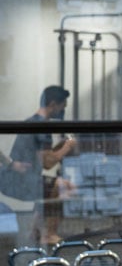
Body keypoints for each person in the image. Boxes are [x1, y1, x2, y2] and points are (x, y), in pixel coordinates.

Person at [6, 86, 77, 246]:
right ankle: (48, 234)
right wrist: (68, 146)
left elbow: (43, 157)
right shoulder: (42, 128)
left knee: (50, 188)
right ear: (53, 104)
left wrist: (60, 146)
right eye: (62, 107)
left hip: (20, 178)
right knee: (64, 187)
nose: (62, 111)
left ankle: (35, 231)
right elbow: (47, 162)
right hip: (20, 180)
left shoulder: (34, 121)